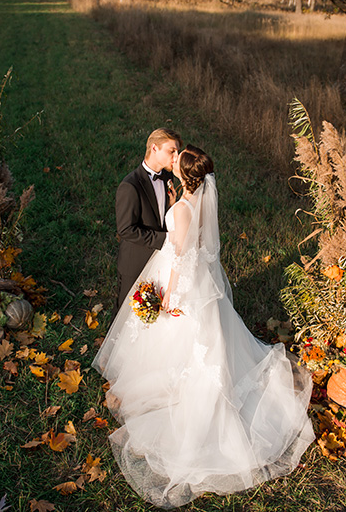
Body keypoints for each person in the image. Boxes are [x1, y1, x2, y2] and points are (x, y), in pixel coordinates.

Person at [93, 145, 315, 509]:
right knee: (210, 342)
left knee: (181, 340)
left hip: (183, 281)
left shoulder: (182, 208)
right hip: (204, 284)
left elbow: (180, 255)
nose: (174, 158)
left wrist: (169, 295)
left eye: (178, 159)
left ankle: (183, 399)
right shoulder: (201, 202)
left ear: (184, 175)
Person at [115, 128, 181, 307]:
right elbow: (126, 229)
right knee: (124, 317)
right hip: (135, 263)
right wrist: (164, 239)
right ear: (154, 148)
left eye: (177, 151)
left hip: (160, 260)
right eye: (171, 151)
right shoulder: (130, 186)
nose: (176, 157)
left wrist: (172, 207)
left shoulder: (167, 176)